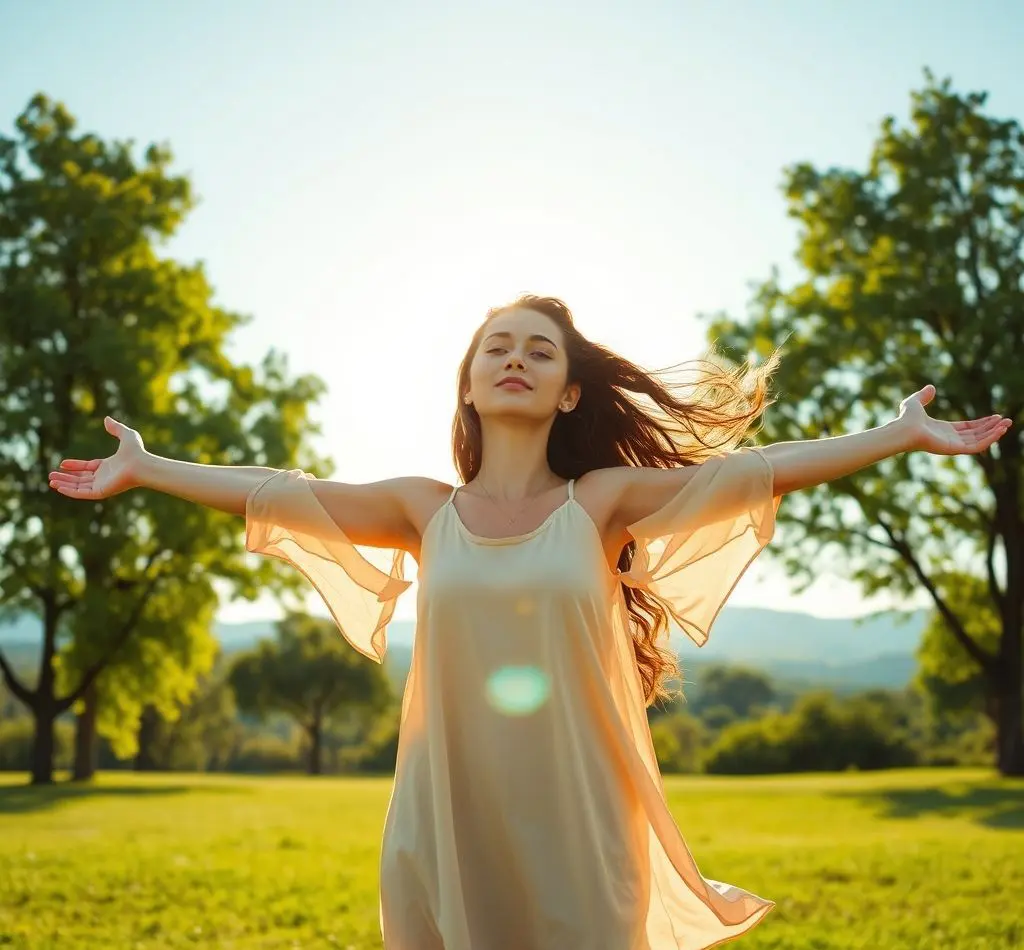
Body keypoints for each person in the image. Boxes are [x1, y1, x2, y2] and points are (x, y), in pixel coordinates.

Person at [49, 295, 1011, 950]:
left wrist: (899, 435)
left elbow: (752, 474)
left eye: (539, 351)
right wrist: (146, 466)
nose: (516, 359)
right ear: (470, 385)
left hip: (583, 822)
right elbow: (277, 493)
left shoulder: (600, 501)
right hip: (444, 818)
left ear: (570, 392)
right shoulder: (424, 511)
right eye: (496, 349)